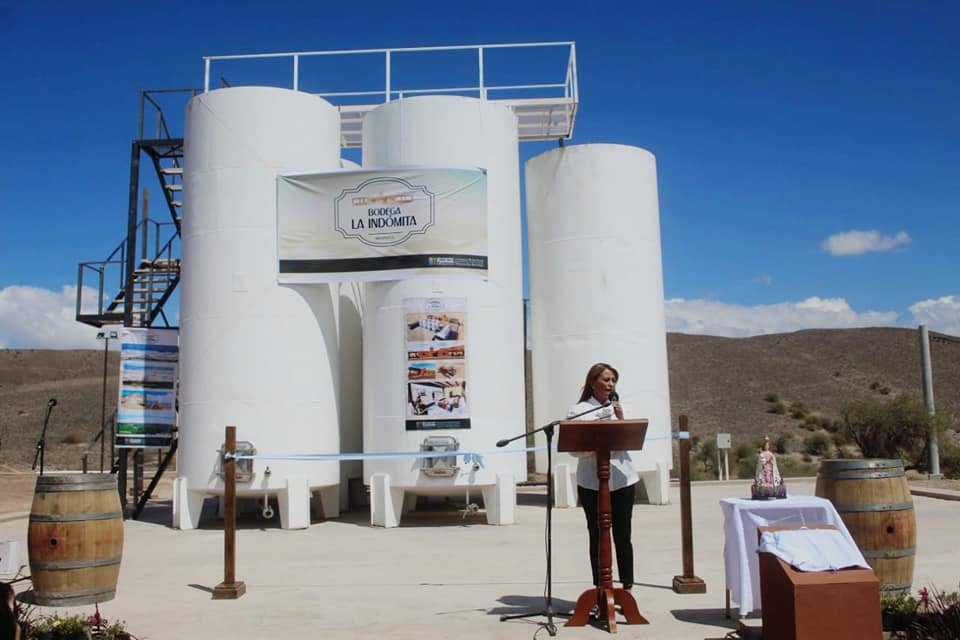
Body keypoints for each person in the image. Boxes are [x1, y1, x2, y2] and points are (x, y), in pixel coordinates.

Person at [568, 362, 639, 591]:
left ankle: (627, 587)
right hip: (592, 483)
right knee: (597, 535)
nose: (610, 384)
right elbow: (574, 449)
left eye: (613, 380)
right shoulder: (578, 411)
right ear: (593, 382)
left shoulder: (623, 409)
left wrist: (619, 419)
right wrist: (598, 446)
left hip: (622, 480)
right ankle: (600, 589)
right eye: (606, 379)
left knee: (623, 534)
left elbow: (632, 439)